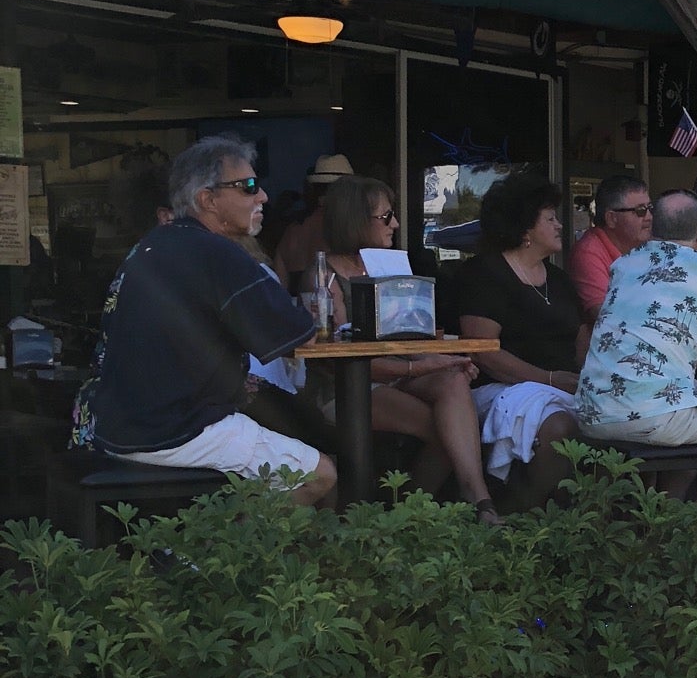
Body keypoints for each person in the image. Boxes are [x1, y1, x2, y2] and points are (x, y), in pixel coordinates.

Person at [71, 136, 336, 506]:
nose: (262, 197)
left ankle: (202, 548)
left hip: (119, 427)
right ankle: (215, 562)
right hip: (178, 426)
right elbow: (300, 340)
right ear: (207, 200)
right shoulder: (217, 253)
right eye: (247, 187)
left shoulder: (152, 245)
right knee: (318, 474)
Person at [319, 175, 502, 524]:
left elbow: (409, 334)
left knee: (453, 381)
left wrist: (447, 361)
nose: (397, 224)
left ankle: (480, 501)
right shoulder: (325, 275)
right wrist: (427, 364)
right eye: (386, 217)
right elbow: (345, 359)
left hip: (395, 374)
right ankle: (405, 515)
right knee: (447, 433)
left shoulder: (387, 264)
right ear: (356, 219)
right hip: (347, 387)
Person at [575, 189, 697, 497]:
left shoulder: (624, 265)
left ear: (653, 228)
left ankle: (666, 515)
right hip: (652, 413)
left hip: (593, 411)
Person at [457, 170, 583, 509]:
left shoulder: (558, 279)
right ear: (525, 227)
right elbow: (482, 353)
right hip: (500, 388)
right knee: (559, 426)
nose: (560, 225)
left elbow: (580, 338)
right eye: (551, 218)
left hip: (561, 387)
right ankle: (521, 514)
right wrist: (550, 379)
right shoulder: (485, 274)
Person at [568, 175, 654, 329]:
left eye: (650, 208)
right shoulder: (588, 253)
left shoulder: (647, 246)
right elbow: (605, 316)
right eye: (640, 211)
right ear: (611, 218)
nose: (649, 217)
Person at [273, 153, 353, 288]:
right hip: (333, 305)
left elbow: (280, 285)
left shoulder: (293, 230)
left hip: (297, 305)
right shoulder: (347, 229)